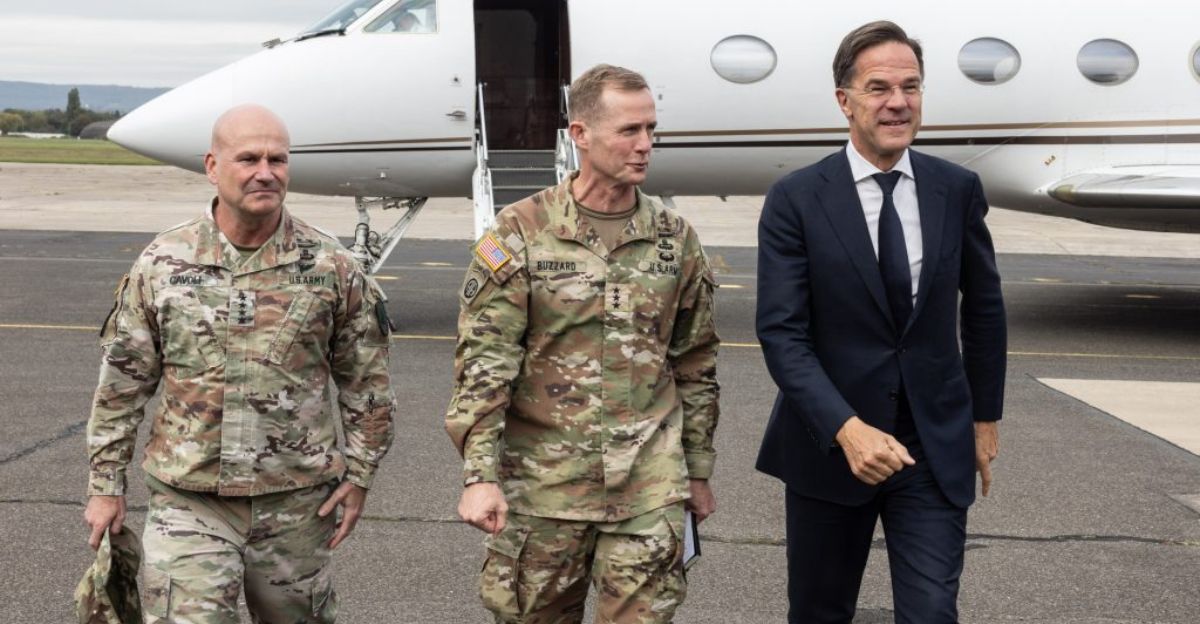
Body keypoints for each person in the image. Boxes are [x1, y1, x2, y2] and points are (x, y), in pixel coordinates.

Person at [82, 104, 395, 623]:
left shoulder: (331, 266)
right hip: (190, 499)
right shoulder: (163, 263)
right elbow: (122, 385)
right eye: (248, 159)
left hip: (295, 504)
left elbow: (367, 384)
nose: (265, 172)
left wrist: (361, 475)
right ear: (212, 166)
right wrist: (105, 486)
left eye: (278, 159)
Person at [445, 64, 720, 623]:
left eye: (651, 129)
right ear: (581, 135)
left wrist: (697, 471)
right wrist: (480, 476)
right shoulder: (521, 231)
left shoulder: (674, 238)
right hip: (544, 490)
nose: (645, 145)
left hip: (649, 489)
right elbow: (485, 364)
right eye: (629, 130)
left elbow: (695, 364)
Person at [755, 21, 1007, 623]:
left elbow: (984, 308)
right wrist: (847, 430)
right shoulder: (797, 199)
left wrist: (984, 418)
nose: (898, 102)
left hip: (931, 445)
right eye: (879, 88)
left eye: (910, 87)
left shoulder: (956, 189)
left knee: (931, 612)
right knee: (819, 611)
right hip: (831, 446)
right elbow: (782, 334)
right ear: (845, 101)